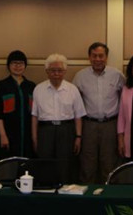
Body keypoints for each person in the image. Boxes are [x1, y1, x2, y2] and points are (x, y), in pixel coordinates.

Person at [73, 42, 125, 184]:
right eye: (94, 56)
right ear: (89, 57)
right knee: (87, 164)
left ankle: (109, 194)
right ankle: (87, 194)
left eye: (101, 56)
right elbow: (75, 103)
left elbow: (125, 100)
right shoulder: (80, 76)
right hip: (88, 125)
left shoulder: (117, 75)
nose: (97, 59)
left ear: (106, 57)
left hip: (111, 125)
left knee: (109, 163)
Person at [31, 53, 85, 183]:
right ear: (47, 71)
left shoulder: (72, 89)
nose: (56, 73)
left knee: (65, 165)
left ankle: (64, 191)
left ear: (65, 71)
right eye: (52, 70)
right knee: (45, 165)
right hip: (45, 130)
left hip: (66, 130)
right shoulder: (38, 89)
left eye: (60, 70)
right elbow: (34, 116)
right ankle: (46, 190)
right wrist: (34, 138)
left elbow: (78, 116)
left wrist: (78, 137)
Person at [0, 50, 36, 161]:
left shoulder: (31, 86)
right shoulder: (1, 86)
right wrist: (2, 135)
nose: (17, 66)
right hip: (8, 134)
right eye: (14, 63)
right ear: (9, 66)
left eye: (21, 63)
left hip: (27, 136)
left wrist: (34, 137)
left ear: (25, 65)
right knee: (7, 165)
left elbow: (35, 114)